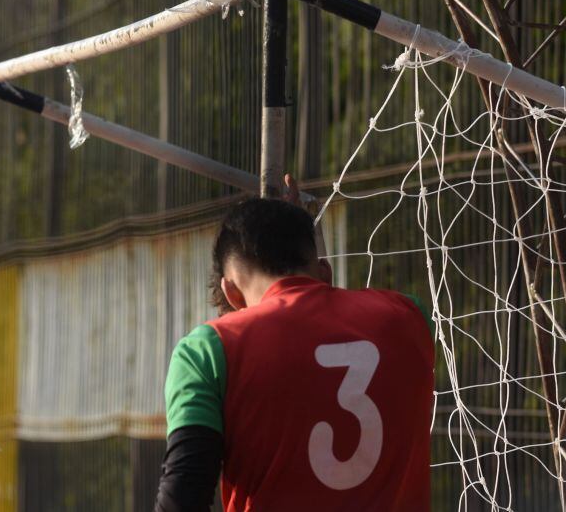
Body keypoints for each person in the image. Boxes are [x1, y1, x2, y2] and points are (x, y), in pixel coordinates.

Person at [155, 180, 434, 511]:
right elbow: (328, 324)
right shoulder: (411, 317)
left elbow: (182, 499)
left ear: (230, 292)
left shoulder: (207, 350)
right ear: (324, 270)